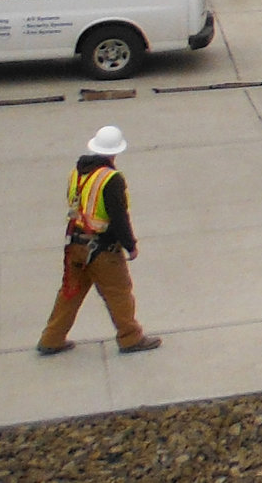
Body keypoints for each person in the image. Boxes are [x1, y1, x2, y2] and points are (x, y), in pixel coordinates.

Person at [37, 125, 159, 355]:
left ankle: (51, 339)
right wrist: (130, 245)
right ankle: (130, 338)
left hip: (75, 244)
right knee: (119, 293)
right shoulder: (111, 179)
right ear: (114, 152)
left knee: (70, 292)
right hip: (102, 249)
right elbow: (119, 216)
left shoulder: (78, 172)